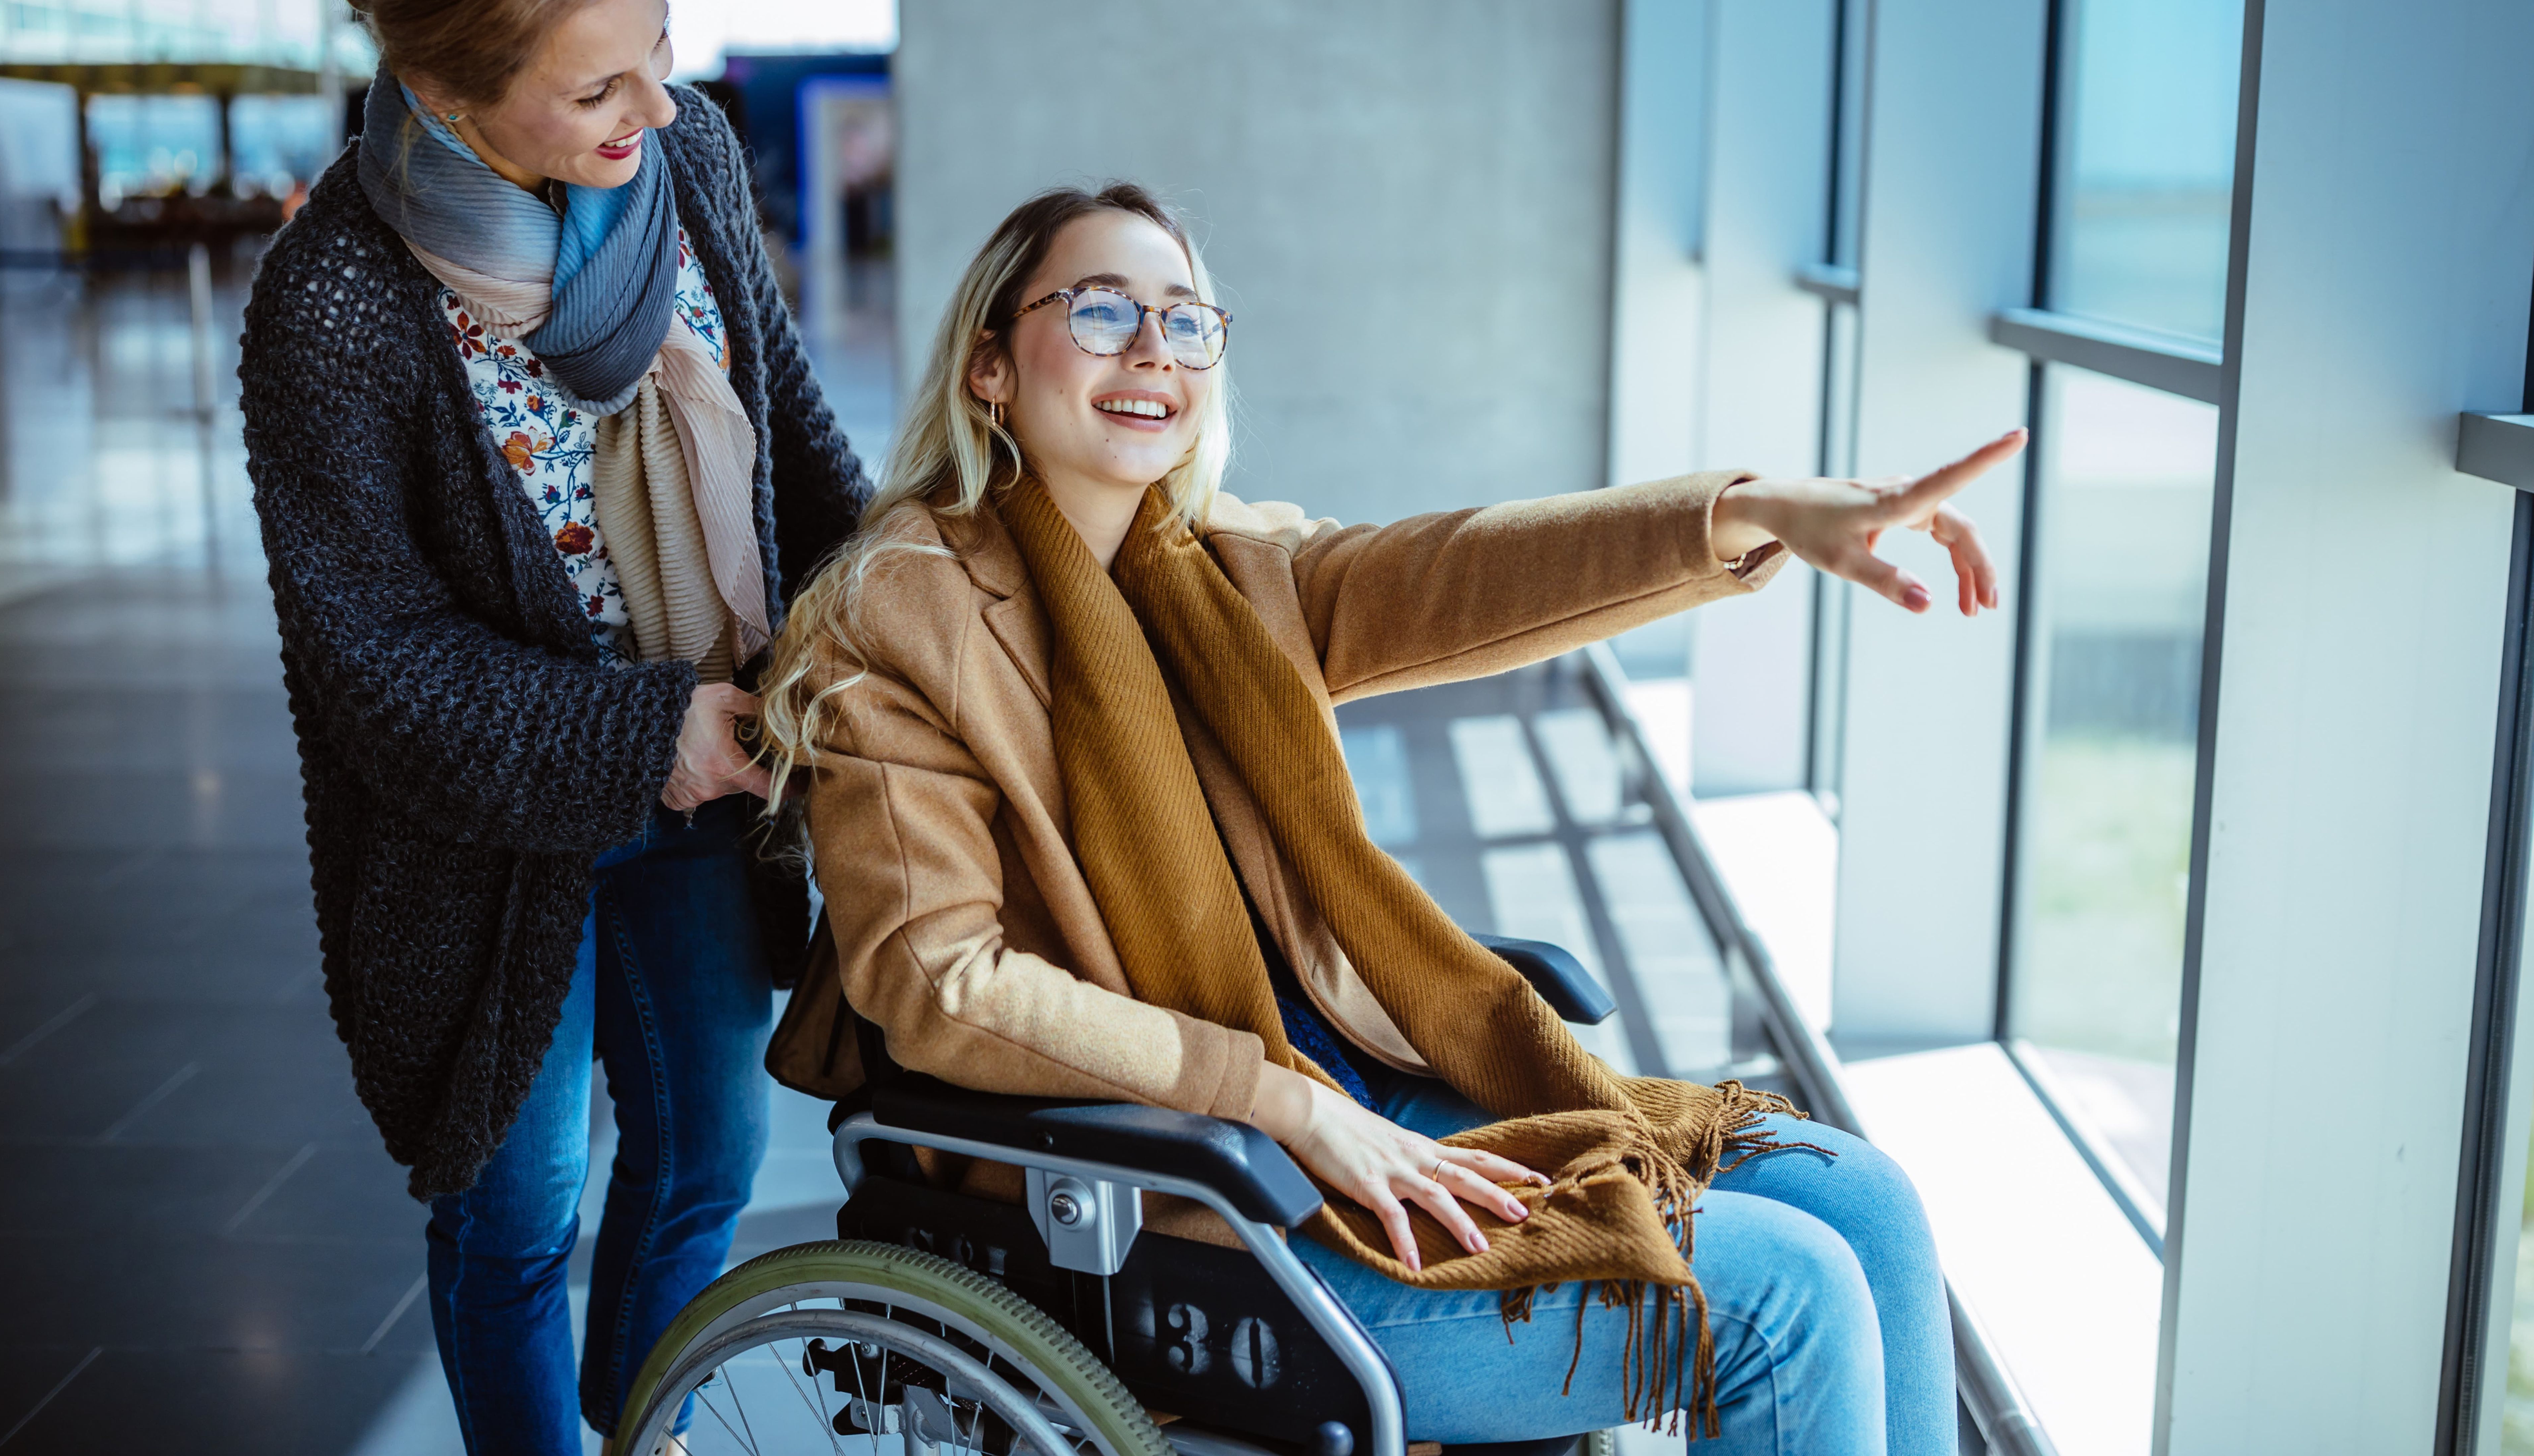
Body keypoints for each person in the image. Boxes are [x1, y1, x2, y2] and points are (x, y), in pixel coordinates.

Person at [759, 183, 2025, 1453]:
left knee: (1863, 1197)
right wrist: (1278, 1104)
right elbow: (942, 982)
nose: (1153, 349)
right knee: (1785, 1296)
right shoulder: (900, 618)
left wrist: (1747, 515)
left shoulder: (1225, 566)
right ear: (989, 364)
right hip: (1180, 1194)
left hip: (1364, 1093)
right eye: (1101, 311)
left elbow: (1468, 567)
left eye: (1187, 320)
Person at [238, 0, 869, 1454]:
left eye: (656, 47)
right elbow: (373, 659)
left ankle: (645, 1431)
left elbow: (793, 441)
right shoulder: (337, 299)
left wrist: (909, 607)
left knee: (707, 1170)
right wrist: (653, 731)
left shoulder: (693, 163)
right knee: (514, 1224)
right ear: (446, 91)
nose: (652, 106)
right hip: (480, 846)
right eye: (597, 89)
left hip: (710, 789)